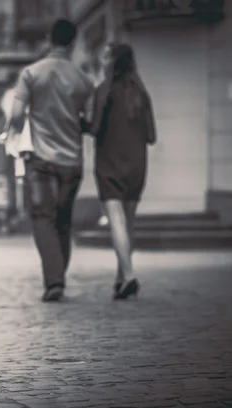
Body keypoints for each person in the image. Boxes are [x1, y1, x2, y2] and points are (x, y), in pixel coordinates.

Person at [5, 19, 95, 302]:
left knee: (43, 218)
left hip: (41, 159)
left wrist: (13, 136)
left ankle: (54, 281)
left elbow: (17, 115)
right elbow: (89, 121)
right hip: (72, 161)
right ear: (73, 42)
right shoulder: (83, 79)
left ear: (48, 38)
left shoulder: (32, 73)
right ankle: (59, 278)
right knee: (63, 221)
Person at [91, 43, 156, 299]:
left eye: (106, 55)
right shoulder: (142, 93)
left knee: (116, 221)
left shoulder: (104, 90)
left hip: (109, 162)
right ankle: (121, 279)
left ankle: (128, 275)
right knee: (129, 223)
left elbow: (94, 128)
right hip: (137, 164)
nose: (102, 59)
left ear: (114, 61)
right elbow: (151, 136)